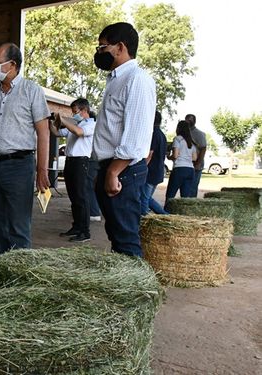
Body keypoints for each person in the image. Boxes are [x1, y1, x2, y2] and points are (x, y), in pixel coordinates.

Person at [0, 42, 50, 254]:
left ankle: (20, 278)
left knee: (18, 226)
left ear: (12, 64)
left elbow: (43, 132)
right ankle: (3, 274)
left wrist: (41, 170)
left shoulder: (31, 91)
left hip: (19, 167)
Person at [92, 22, 156, 257]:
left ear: (120, 47)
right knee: (117, 235)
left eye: (102, 48)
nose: (99, 54)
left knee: (127, 240)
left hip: (123, 170)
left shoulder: (137, 79)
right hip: (112, 167)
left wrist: (113, 172)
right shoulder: (116, 79)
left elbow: (136, 136)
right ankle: (125, 289)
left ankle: (139, 293)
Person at [52, 98, 96, 242]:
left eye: (75, 111)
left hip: (81, 162)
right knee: (73, 197)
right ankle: (77, 226)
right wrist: (50, 121)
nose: (74, 114)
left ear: (84, 110)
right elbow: (57, 133)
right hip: (71, 162)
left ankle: (85, 231)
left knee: (81, 197)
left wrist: (62, 119)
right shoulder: (77, 124)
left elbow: (78, 132)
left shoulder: (91, 125)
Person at [141, 111, 169, 215]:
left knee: (144, 199)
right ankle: (164, 215)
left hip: (150, 171)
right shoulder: (162, 135)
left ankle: (143, 219)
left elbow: (150, 153)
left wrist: (143, 167)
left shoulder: (153, 134)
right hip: (158, 171)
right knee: (147, 198)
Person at [164, 120, 198, 204]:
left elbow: (175, 155)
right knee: (185, 197)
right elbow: (194, 158)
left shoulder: (178, 139)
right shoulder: (191, 142)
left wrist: (169, 157)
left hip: (179, 168)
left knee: (170, 195)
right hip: (190, 169)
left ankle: (166, 212)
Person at [185, 114, 207, 197]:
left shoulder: (199, 134)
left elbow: (203, 149)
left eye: (190, 120)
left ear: (194, 121)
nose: (188, 121)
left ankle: (191, 204)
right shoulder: (184, 133)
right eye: (187, 119)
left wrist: (198, 163)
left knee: (193, 187)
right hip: (186, 163)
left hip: (196, 164)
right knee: (186, 186)